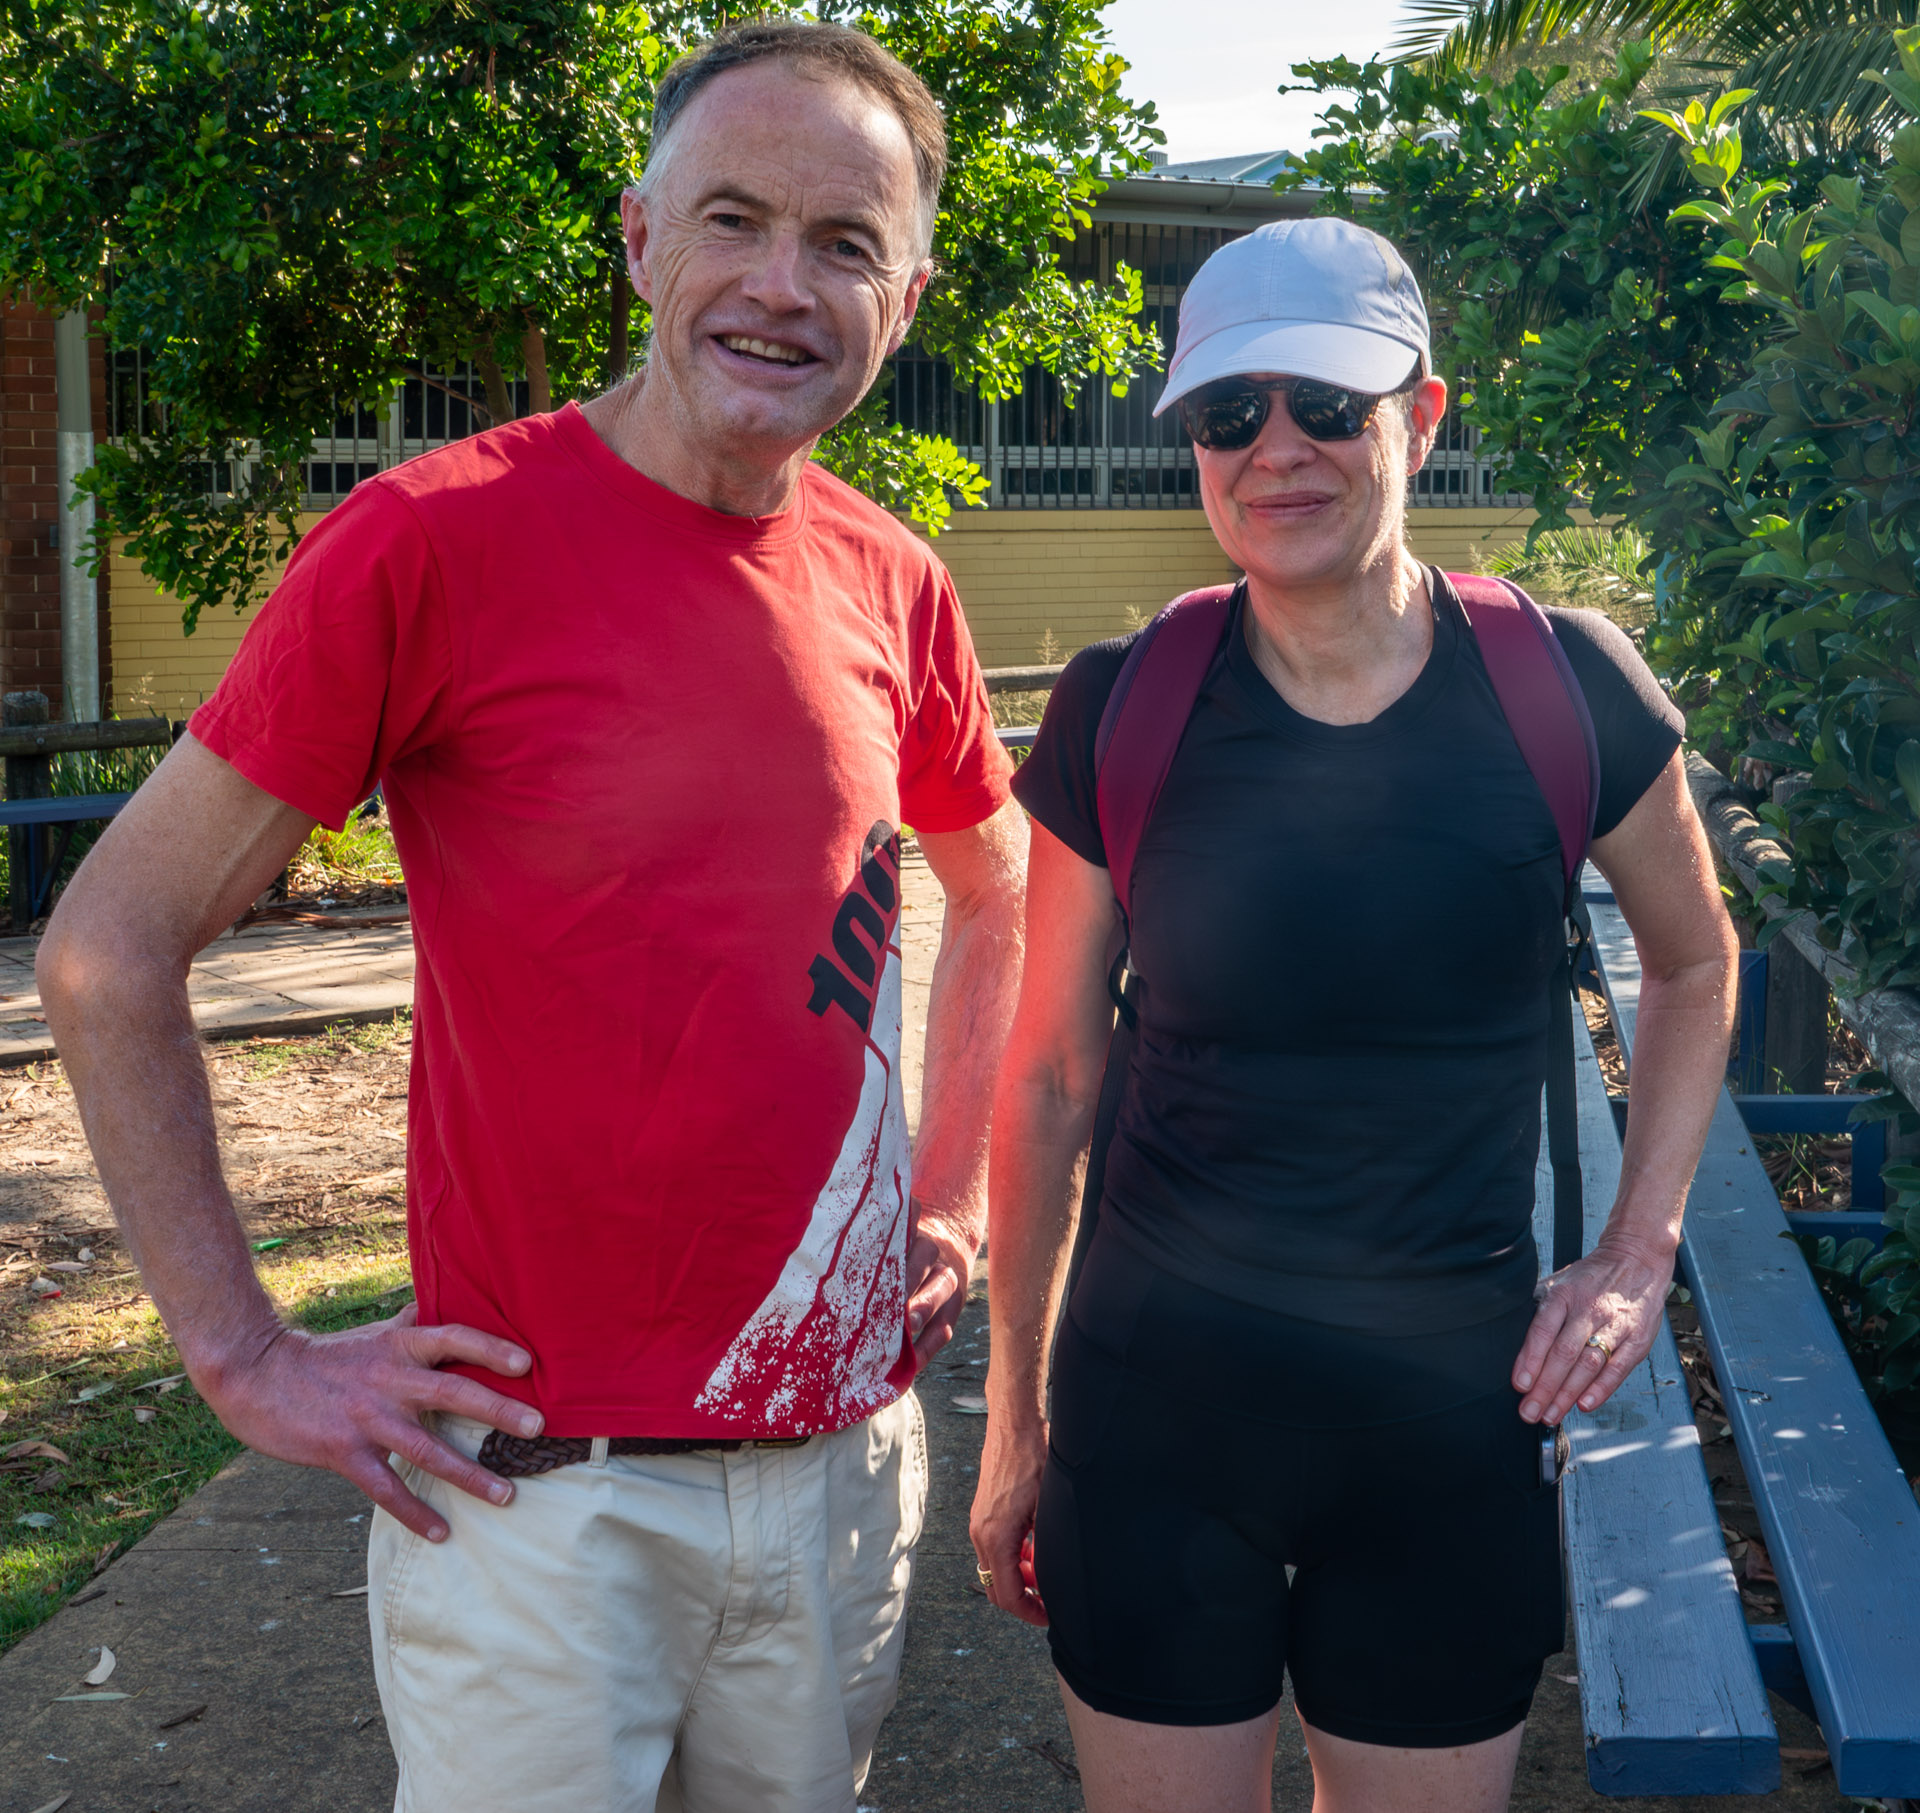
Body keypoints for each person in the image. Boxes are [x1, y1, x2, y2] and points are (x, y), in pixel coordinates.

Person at [39, 21, 1026, 1813]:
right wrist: (244, 1353)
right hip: (536, 1497)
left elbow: (1000, 876)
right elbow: (108, 949)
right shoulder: (428, 541)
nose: (781, 286)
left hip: (836, 1470)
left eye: (844, 243)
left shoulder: (897, 577)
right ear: (639, 240)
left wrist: (953, 1194)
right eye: (731, 219)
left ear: (908, 295)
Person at [968, 217, 1737, 1813]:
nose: (1277, 449)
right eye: (1226, 412)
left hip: (1445, 1425)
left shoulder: (1562, 687)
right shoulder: (1125, 703)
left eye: (1327, 402)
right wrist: (1015, 1413)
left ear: (1422, 415)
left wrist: (1637, 1249)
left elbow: (1693, 959)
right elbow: (1046, 1079)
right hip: (1155, 1419)